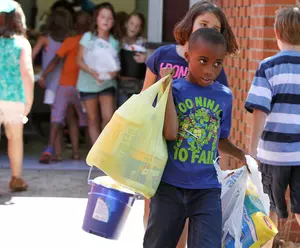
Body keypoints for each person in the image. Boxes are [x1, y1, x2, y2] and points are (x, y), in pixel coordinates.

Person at [142, 2, 239, 247]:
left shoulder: (224, 95)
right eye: (203, 61)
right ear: (188, 57)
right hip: (169, 186)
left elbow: (220, 138)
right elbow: (171, 133)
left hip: (206, 189)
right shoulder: (174, 89)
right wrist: (166, 91)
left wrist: (244, 157)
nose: (210, 70)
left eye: (218, 64)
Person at [245, 6, 300, 247]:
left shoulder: (268, 66)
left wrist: (251, 149)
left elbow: (259, 110)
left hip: (273, 154)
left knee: (269, 208)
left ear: (276, 31)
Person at [38, 11, 91, 163]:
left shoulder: (71, 40)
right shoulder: (92, 42)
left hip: (65, 86)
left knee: (56, 119)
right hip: (84, 88)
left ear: (75, 26)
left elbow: (56, 60)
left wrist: (43, 75)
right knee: (86, 121)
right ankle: (80, 153)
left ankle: (50, 149)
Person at [0, 0, 34, 191]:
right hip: (14, 97)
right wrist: (28, 100)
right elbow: (27, 73)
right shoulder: (22, 43)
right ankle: (16, 178)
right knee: (14, 138)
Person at [32, 9, 73, 161]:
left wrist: (40, 74)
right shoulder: (71, 39)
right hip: (68, 84)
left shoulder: (45, 39)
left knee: (55, 117)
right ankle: (70, 151)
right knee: (68, 118)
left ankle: (57, 152)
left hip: (51, 85)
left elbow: (30, 57)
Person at [77, 2, 120, 145]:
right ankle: (96, 154)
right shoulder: (89, 38)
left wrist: (114, 72)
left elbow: (115, 64)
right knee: (93, 119)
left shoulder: (114, 42)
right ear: (96, 19)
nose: (106, 20)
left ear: (113, 21)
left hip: (107, 83)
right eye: (103, 17)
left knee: (108, 117)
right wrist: (93, 73)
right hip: (87, 84)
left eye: (109, 18)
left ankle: (105, 149)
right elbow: (79, 60)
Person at [118, 12, 147, 106]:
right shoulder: (119, 42)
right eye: (131, 23)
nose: (134, 27)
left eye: (137, 26)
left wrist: (146, 59)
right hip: (121, 84)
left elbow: (152, 63)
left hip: (137, 85)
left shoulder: (142, 43)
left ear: (140, 29)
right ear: (126, 23)